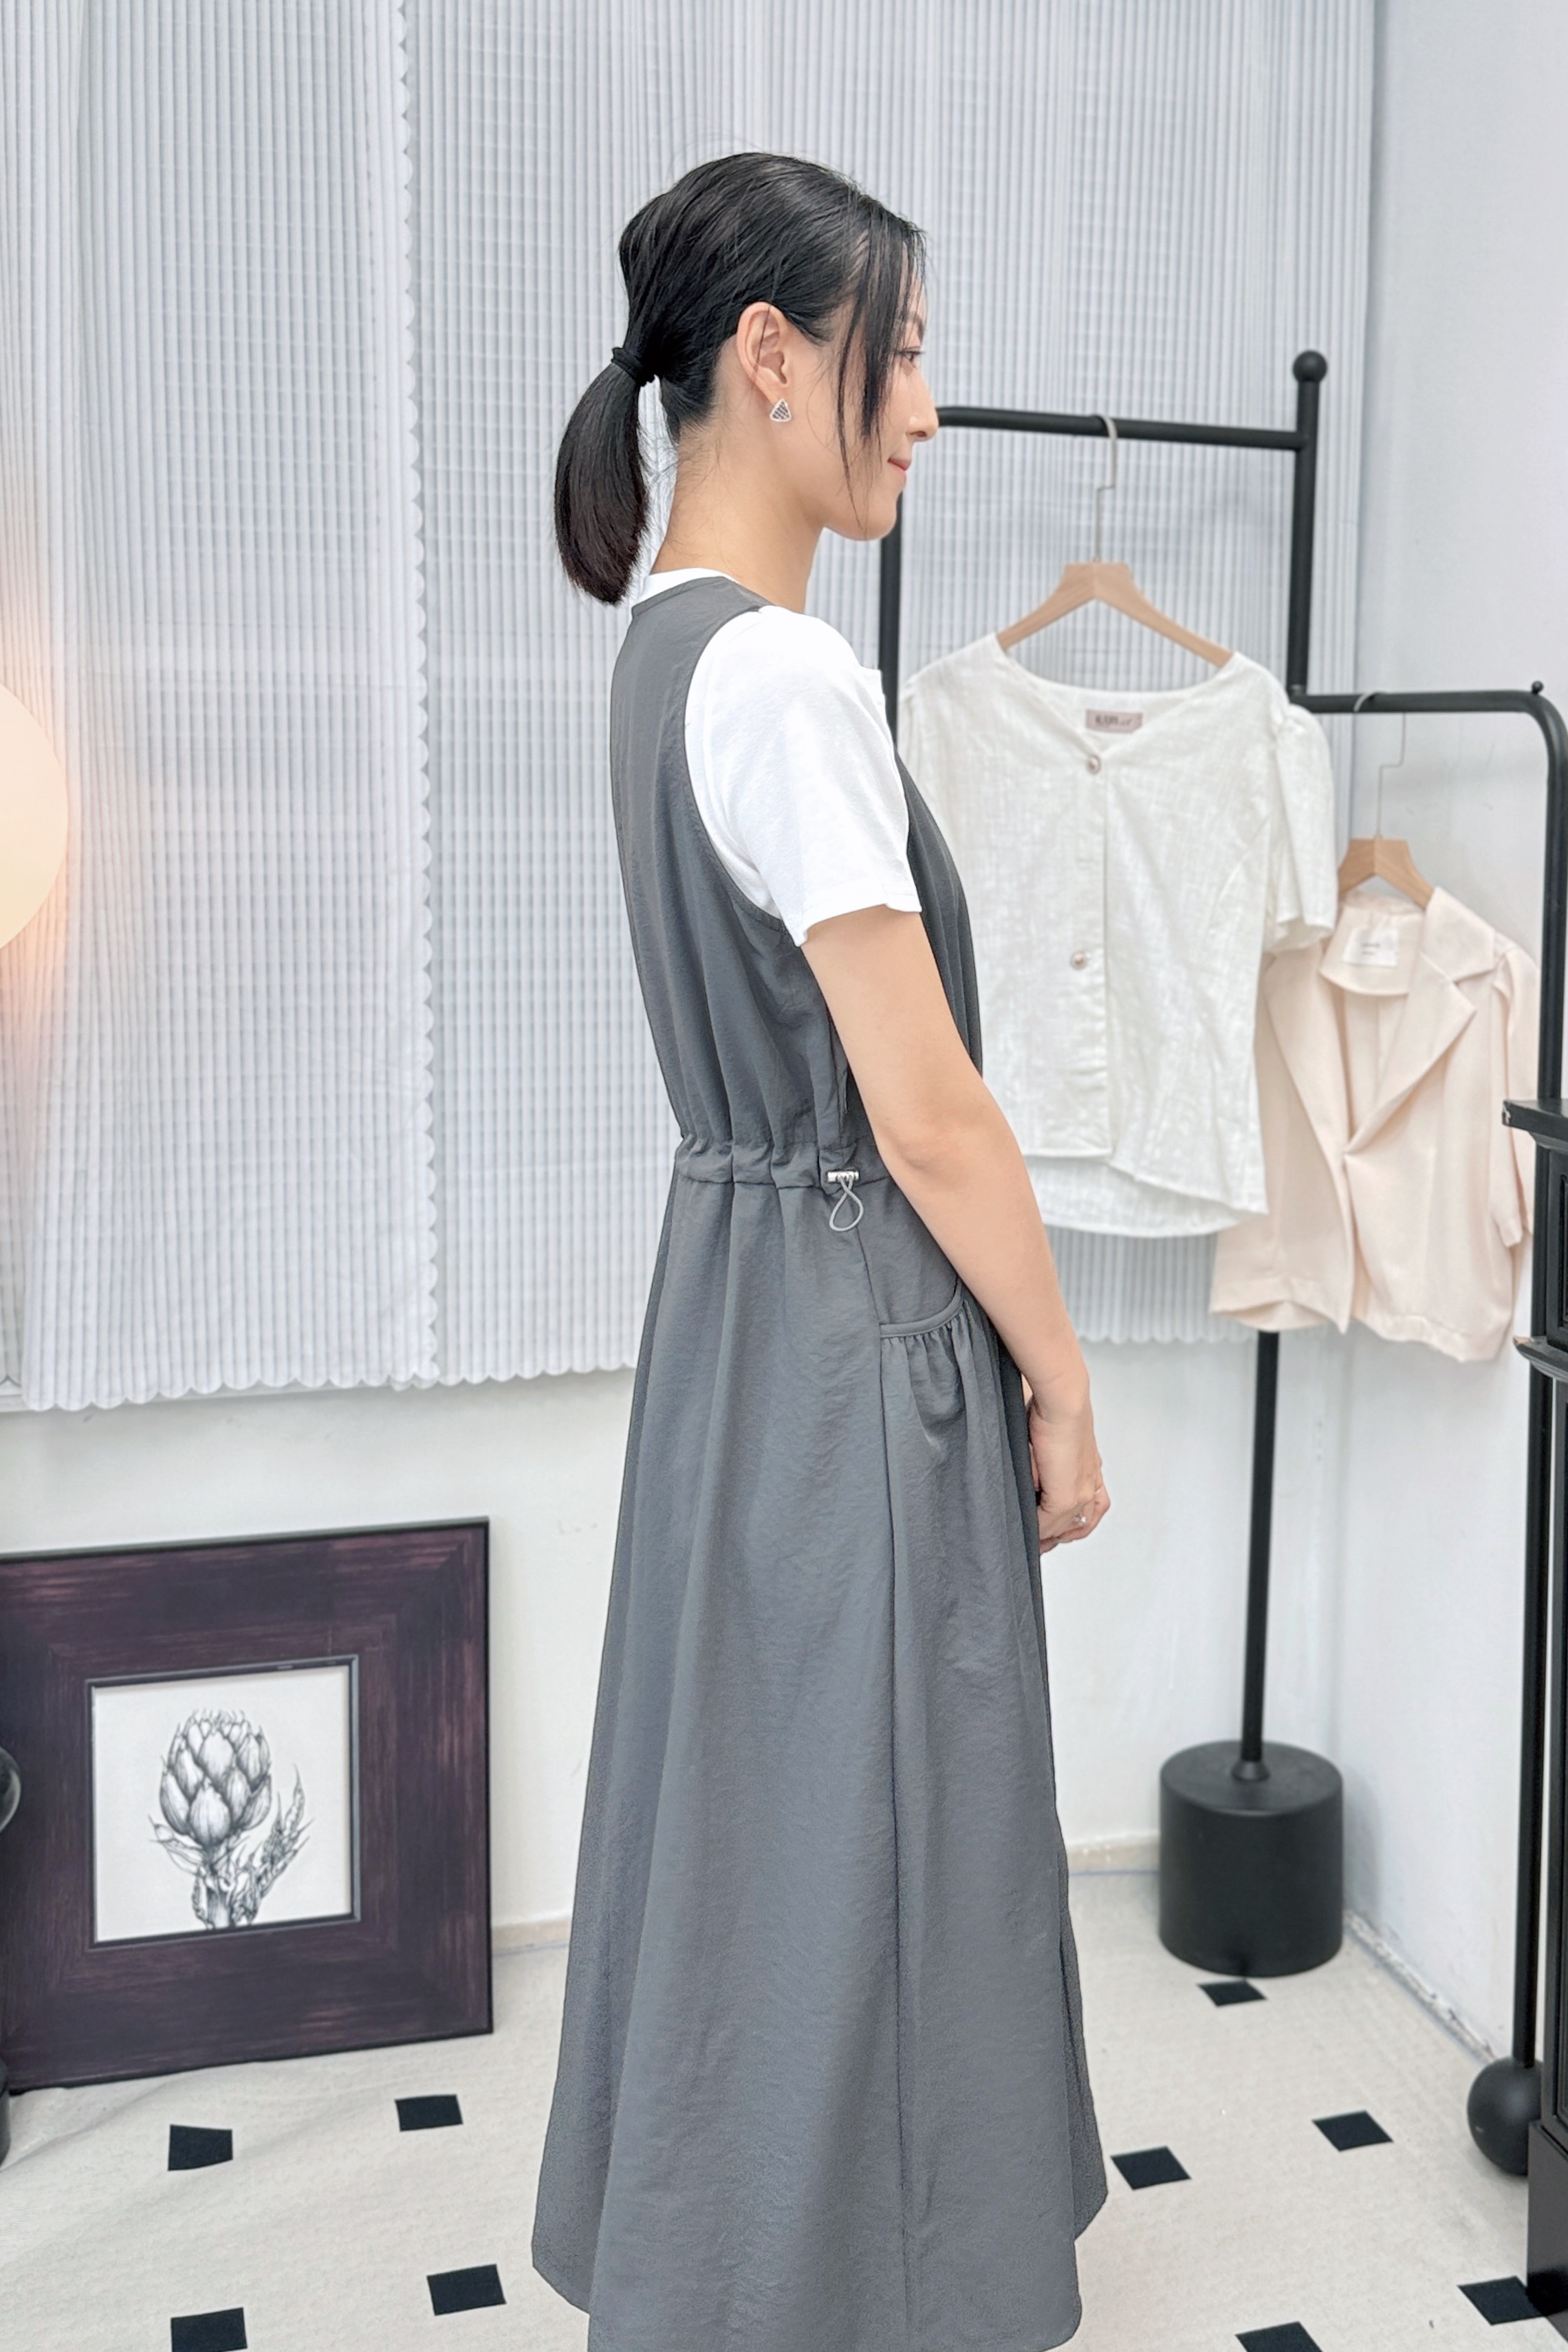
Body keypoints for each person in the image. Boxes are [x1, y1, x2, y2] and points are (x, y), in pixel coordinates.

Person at [532, 151, 1109, 2352]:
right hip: (858, 1317)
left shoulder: (662, 650)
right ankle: (881, 2291)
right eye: (908, 353)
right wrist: (1062, 1373)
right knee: (894, 1825)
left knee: (755, 1818)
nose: (929, 409)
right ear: (773, 359)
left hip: (739, 1307)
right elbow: (928, 1105)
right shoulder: (781, 677)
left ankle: (740, 2270)